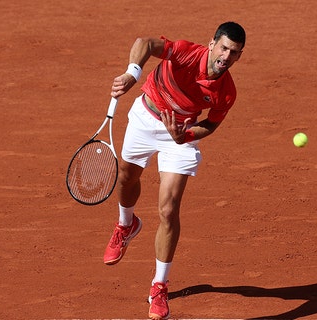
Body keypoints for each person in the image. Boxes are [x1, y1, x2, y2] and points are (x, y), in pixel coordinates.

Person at [102, 21, 246, 320]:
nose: (226, 57)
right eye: (224, 48)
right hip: (146, 116)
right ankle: (126, 224)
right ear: (212, 43)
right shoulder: (184, 52)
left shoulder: (226, 91)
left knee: (168, 210)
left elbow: (211, 124)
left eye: (234, 53)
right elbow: (146, 42)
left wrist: (187, 136)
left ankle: (159, 286)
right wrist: (133, 73)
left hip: (179, 134)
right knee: (127, 178)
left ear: (238, 57)